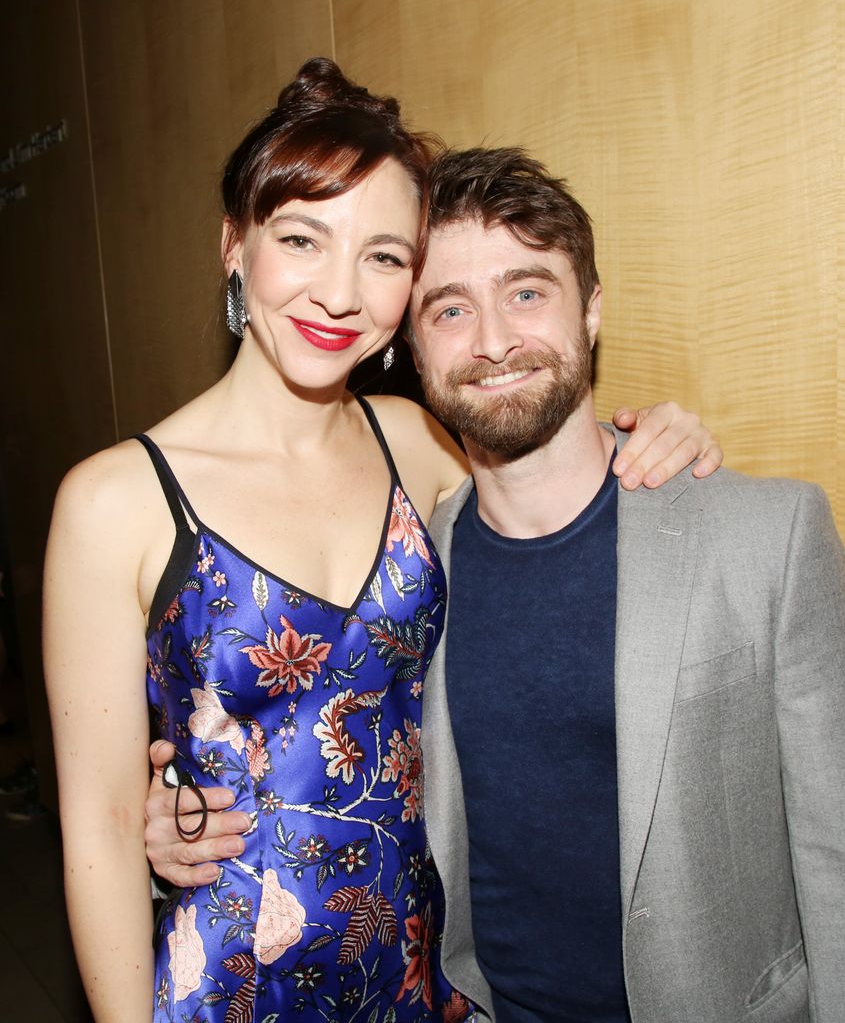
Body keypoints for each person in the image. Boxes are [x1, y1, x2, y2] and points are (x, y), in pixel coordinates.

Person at [44, 59, 717, 1022]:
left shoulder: (418, 443)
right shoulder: (115, 502)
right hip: (234, 976)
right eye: (302, 239)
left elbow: (552, 492)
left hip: (430, 967)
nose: (338, 294)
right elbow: (103, 832)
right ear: (234, 245)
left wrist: (659, 439)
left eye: (385, 257)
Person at [147, 145, 845, 1023]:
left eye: (526, 292)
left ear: (590, 310)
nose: (492, 341)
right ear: (407, 340)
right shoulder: (405, 572)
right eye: (448, 308)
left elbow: (836, 846)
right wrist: (185, 811)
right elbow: (307, 732)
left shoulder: (764, 535)